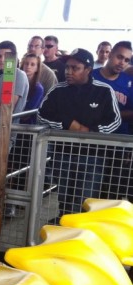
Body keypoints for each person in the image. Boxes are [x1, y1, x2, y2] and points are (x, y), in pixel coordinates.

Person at [38, 48, 121, 215]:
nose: (68, 72)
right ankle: (64, 230)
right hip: (63, 154)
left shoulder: (104, 91)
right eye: (67, 67)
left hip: (93, 156)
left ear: (88, 70)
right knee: (64, 199)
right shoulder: (57, 90)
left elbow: (115, 120)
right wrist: (67, 124)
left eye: (75, 68)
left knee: (85, 200)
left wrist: (90, 132)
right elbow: (42, 114)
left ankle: (81, 235)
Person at [92, 40, 133, 135]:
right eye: (119, 57)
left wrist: (108, 114)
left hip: (119, 139)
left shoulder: (129, 82)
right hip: (92, 136)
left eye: (126, 60)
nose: (122, 63)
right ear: (110, 55)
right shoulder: (89, 77)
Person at [0, 41, 29, 114]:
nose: (2, 59)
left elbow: (7, 106)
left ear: (14, 57)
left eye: (6, 56)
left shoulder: (19, 75)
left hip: (11, 123)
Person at [19, 53, 45, 123]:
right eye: (26, 63)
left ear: (37, 68)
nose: (28, 67)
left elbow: (26, 115)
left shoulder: (38, 89)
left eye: (32, 64)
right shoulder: (17, 83)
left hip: (28, 127)